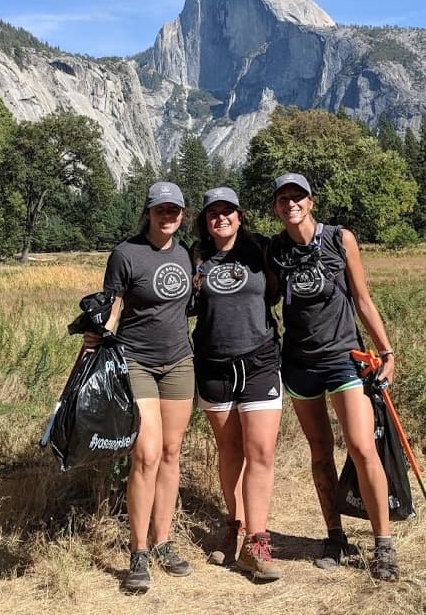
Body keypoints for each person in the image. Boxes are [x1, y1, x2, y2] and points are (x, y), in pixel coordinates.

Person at [267, 172, 401, 581]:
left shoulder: (340, 239)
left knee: (362, 448)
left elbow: (362, 298)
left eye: (298, 197)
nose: (291, 204)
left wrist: (386, 351)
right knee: (320, 452)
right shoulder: (275, 250)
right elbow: (265, 298)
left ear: (311, 202)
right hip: (299, 364)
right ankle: (334, 536)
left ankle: (383, 545)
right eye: (283, 199)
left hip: (345, 360)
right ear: (276, 207)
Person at [87, 181, 196, 593]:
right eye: (160, 210)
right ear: (148, 212)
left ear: (182, 214)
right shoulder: (125, 254)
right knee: (146, 455)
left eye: (174, 210)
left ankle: (163, 541)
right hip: (136, 362)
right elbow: (111, 309)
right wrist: (93, 345)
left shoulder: (188, 255)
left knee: (170, 453)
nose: (168, 216)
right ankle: (138, 552)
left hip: (179, 362)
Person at [190, 187, 282, 581]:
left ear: (240, 217)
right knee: (229, 452)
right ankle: (235, 526)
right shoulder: (195, 256)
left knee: (259, 451)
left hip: (259, 362)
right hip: (213, 366)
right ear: (205, 221)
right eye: (214, 213)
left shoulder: (259, 250)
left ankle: (257, 543)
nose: (221, 218)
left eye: (228, 211)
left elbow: (281, 290)